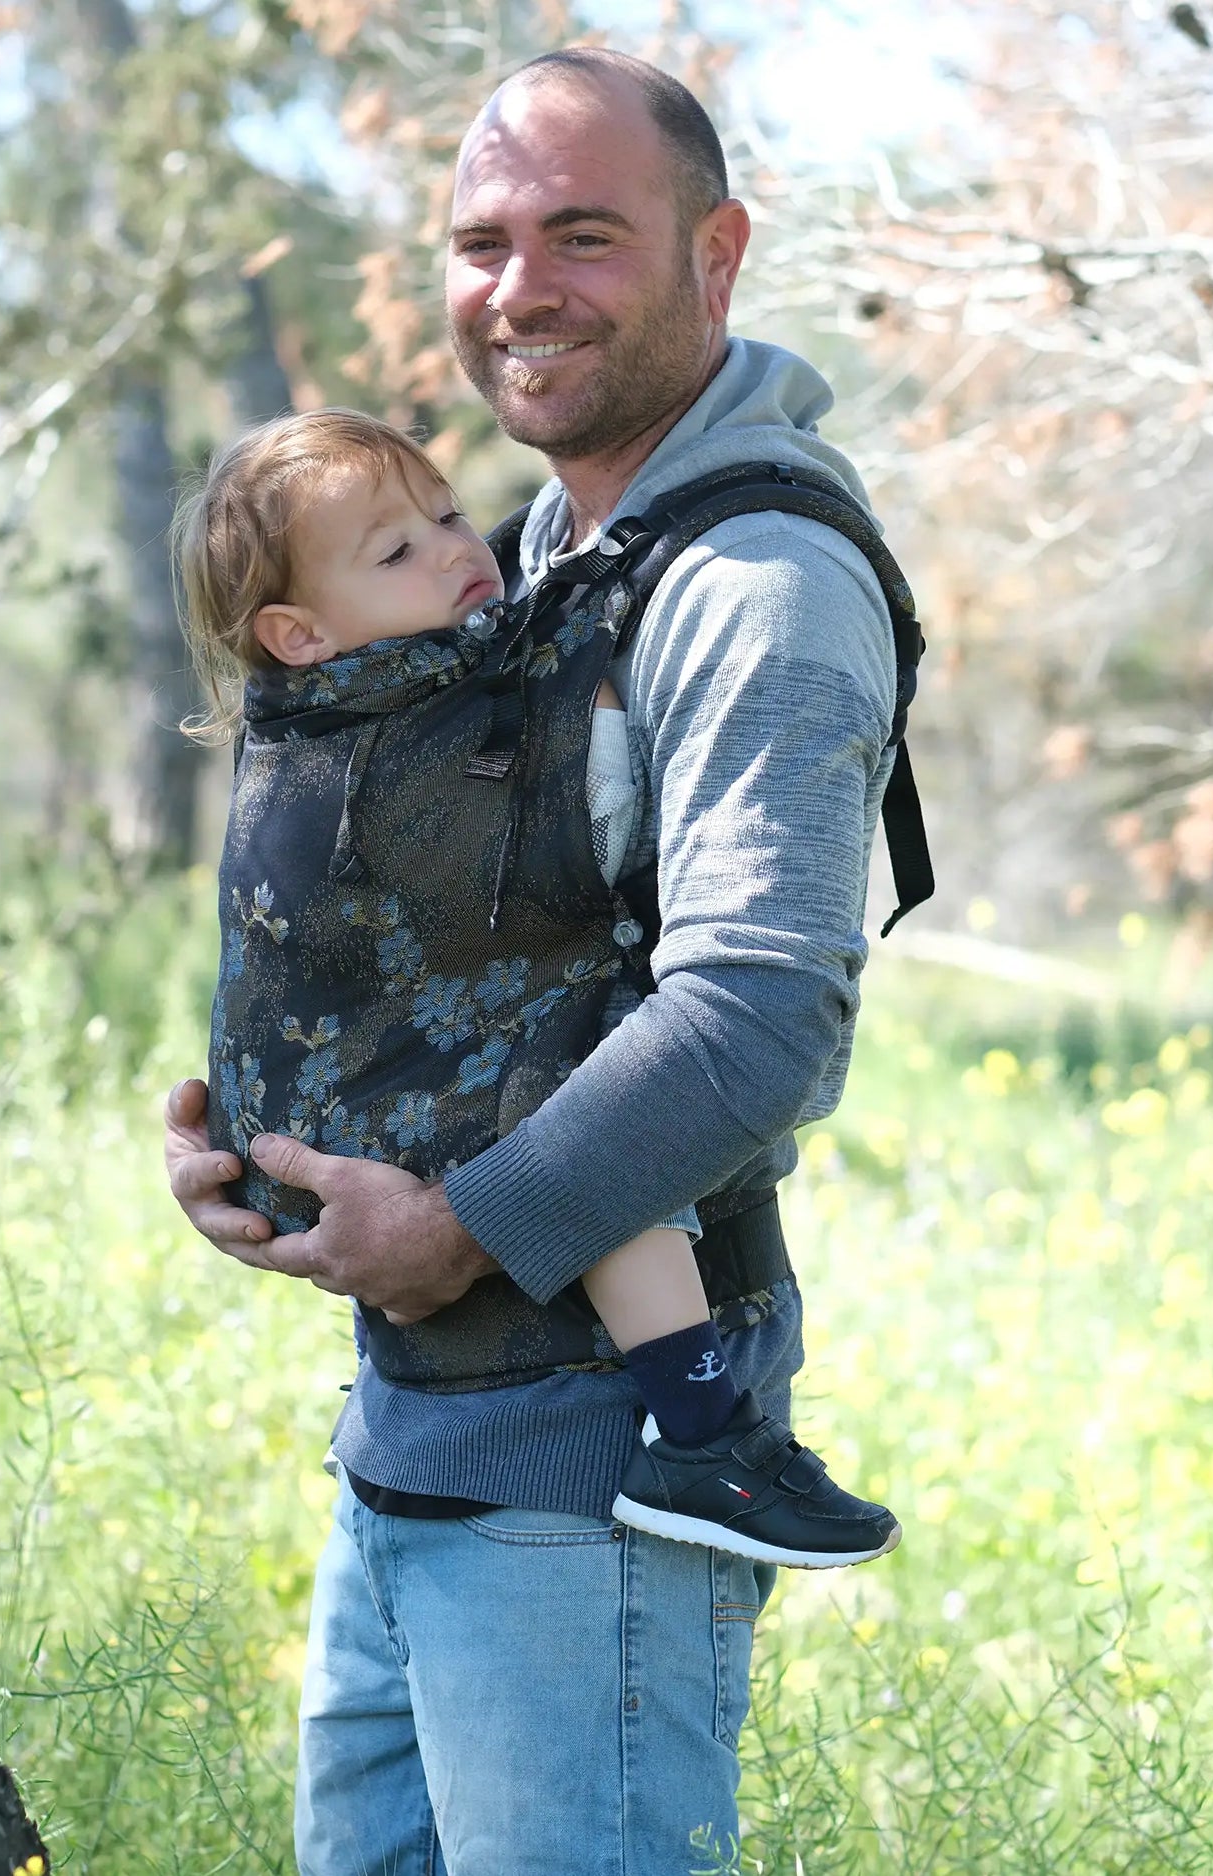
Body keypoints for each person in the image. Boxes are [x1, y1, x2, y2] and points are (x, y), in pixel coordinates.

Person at [165, 46, 921, 1876]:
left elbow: (759, 1018)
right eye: (481, 241)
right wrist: (267, 1134)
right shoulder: (523, 563)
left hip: (598, 1473)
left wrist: (456, 1227)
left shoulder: (751, 585)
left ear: (714, 255)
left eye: (583, 235)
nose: (520, 288)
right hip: (416, 1439)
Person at [177, 403, 901, 1570]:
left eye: (447, 514)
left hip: (312, 1138)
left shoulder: (331, 702)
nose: (458, 551)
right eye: (397, 551)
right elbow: (567, 820)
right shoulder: (398, 717)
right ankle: (702, 1433)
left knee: (600, 1074)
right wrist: (594, 702)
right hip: (376, 1170)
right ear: (297, 633)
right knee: (594, 1071)